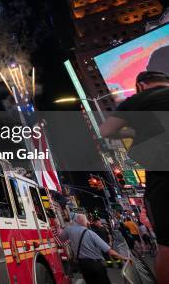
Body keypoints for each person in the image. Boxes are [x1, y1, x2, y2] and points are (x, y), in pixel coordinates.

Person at [100, 70, 169, 282]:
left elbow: (106, 131)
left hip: (164, 175)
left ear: (140, 85)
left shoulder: (138, 100)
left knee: (167, 247)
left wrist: (131, 132)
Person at [59, 214, 128, 283]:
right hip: (95, 265)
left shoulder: (69, 229)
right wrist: (124, 257)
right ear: (85, 222)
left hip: (83, 266)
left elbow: (61, 238)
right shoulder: (90, 233)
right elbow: (109, 251)